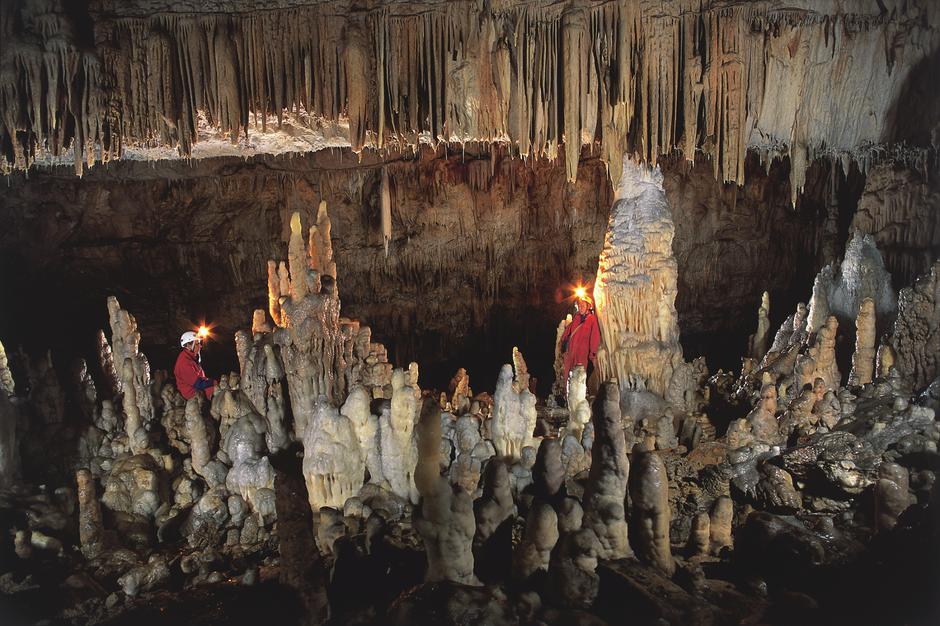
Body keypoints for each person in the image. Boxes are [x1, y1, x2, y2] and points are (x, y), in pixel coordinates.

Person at [560, 296, 600, 388]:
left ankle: (579, 395)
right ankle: (568, 395)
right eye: (579, 305)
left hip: (582, 354)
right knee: (568, 377)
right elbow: (568, 332)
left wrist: (592, 354)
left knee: (579, 377)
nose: (580, 307)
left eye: (583, 306)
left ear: (588, 307)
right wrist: (563, 344)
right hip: (571, 353)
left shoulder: (591, 320)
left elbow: (594, 337)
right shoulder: (576, 318)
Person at [174, 330, 215, 400]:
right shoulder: (184, 362)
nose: (200, 346)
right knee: (218, 391)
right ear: (189, 345)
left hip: (198, 389)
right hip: (192, 393)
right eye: (197, 344)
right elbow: (199, 384)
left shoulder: (191, 357)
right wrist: (214, 382)